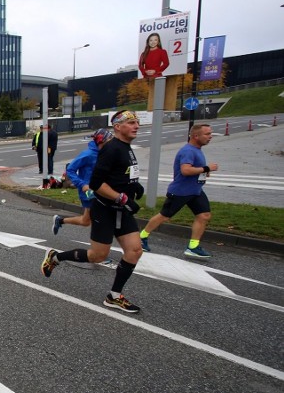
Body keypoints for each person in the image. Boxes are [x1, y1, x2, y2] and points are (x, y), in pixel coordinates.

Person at [39, 110, 145, 314]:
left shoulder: (126, 147)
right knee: (98, 255)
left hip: (121, 210)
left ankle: (114, 296)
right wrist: (122, 198)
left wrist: (134, 186)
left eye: (137, 122)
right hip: (104, 209)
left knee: (134, 251)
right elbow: (96, 184)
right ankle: (56, 257)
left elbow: (121, 174)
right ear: (117, 126)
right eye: (131, 122)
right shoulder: (111, 149)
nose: (136, 125)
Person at [140, 123, 219, 259]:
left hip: (195, 191)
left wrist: (204, 172)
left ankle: (193, 247)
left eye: (210, 133)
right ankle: (142, 237)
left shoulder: (197, 149)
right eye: (207, 134)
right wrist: (206, 168)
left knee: (204, 215)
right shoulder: (188, 150)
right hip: (181, 191)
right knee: (164, 216)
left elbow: (194, 169)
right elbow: (185, 170)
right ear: (195, 136)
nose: (210, 136)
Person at [52, 128, 113, 234]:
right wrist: (82, 184)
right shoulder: (88, 154)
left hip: (101, 189)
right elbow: (70, 169)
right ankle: (99, 245)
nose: (112, 143)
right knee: (100, 218)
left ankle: (60, 220)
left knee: (86, 221)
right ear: (101, 141)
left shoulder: (105, 153)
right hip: (89, 191)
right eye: (110, 140)